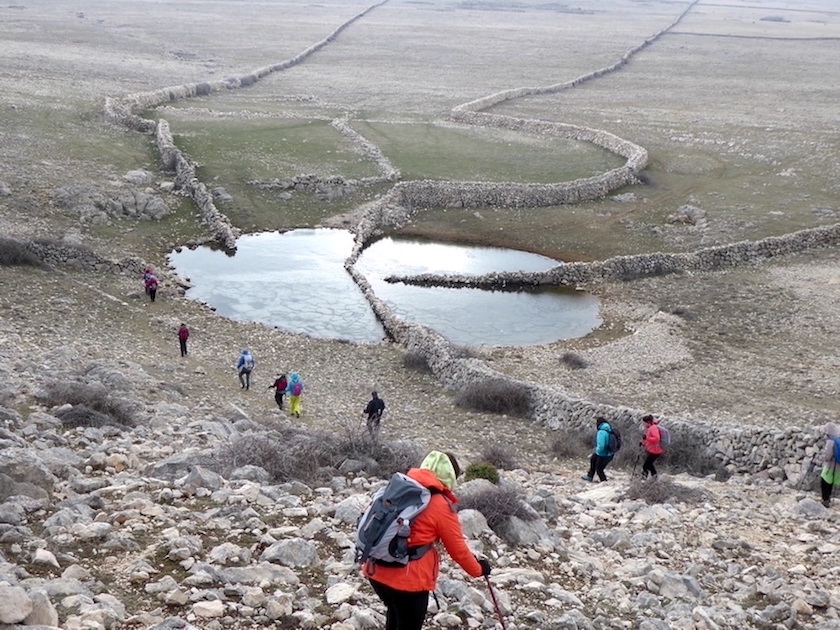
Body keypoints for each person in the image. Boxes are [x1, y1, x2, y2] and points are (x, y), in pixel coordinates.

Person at [362, 450, 491, 630]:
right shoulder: (440, 504)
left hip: (376, 570)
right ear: (450, 476)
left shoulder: (397, 488)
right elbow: (458, 551)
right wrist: (479, 569)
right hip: (409, 580)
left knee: (395, 613)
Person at [582, 416, 614, 482]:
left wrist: (597, 451)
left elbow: (601, 446)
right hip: (610, 454)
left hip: (603, 454)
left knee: (599, 469)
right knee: (593, 459)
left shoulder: (601, 432)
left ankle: (604, 482)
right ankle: (590, 476)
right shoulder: (609, 430)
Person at [819, 422, 840, 508]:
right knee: (832, 482)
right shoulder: (838, 439)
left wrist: (820, 457)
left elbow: (827, 456)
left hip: (831, 466)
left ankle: (826, 500)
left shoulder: (831, 441)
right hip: (839, 467)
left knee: (825, 482)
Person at [641, 414, 664, 478]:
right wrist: (644, 443)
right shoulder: (651, 428)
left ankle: (648, 477)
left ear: (648, 422)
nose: (643, 424)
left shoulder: (653, 428)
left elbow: (656, 439)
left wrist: (646, 438)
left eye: (644, 423)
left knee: (647, 465)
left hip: (655, 450)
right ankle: (652, 477)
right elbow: (649, 439)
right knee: (648, 464)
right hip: (653, 449)